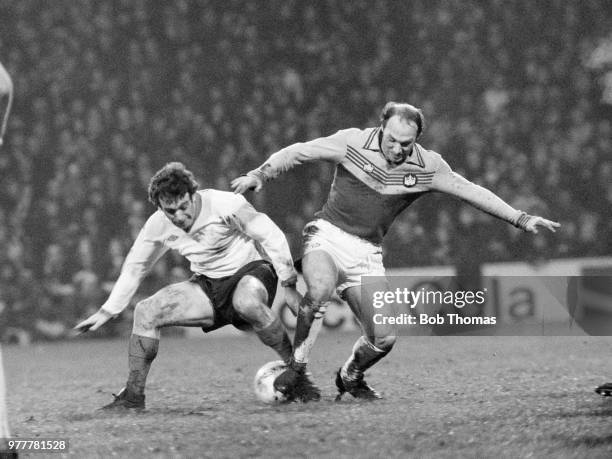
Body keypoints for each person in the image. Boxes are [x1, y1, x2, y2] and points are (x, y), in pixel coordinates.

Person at [232, 102, 560, 402]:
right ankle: (298, 369)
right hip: (327, 236)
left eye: (407, 143)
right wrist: (261, 173)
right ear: (381, 128)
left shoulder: (427, 166)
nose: (398, 148)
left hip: (367, 254)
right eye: (392, 139)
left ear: (417, 139)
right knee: (318, 290)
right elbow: (300, 151)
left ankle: (350, 376)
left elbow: (470, 191)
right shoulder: (352, 142)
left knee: (384, 339)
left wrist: (520, 218)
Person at [75, 162, 301, 410]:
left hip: (252, 271)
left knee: (245, 302)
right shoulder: (157, 225)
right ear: (160, 207)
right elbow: (135, 266)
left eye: (184, 206)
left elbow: (271, 235)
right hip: (208, 285)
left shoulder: (224, 204)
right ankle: (132, 396)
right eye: (171, 211)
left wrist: (288, 282)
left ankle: (298, 374)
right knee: (146, 312)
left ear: (193, 195)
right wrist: (109, 309)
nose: (179, 216)